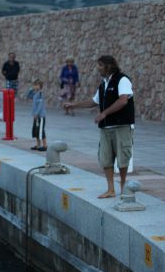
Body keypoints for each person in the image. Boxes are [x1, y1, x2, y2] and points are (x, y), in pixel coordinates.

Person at [64, 55, 134, 199]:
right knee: (105, 158)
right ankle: (110, 189)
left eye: (100, 65)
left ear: (108, 66)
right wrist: (74, 105)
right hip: (106, 129)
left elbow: (123, 101)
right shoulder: (103, 84)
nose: (98, 68)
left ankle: (123, 188)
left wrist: (104, 113)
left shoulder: (122, 80)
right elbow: (93, 101)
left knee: (122, 158)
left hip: (121, 125)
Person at [27, 79, 47, 151]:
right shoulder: (34, 93)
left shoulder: (41, 94)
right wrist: (31, 89)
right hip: (35, 116)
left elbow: (40, 105)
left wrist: (36, 113)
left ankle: (45, 145)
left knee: (41, 130)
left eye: (37, 85)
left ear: (40, 86)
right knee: (36, 130)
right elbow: (28, 96)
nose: (35, 86)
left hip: (40, 116)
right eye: (34, 85)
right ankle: (38, 145)